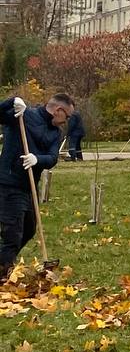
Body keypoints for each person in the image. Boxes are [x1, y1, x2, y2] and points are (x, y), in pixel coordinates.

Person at [0, 93, 74, 279]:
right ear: (58, 111)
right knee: (12, 234)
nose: (67, 121)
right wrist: (12, 101)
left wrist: (37, 159)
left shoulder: (55, 133)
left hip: (28, 187)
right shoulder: (24, 116)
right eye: (68, 116)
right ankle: (3, 271)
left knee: (29, 229)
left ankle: (5, 260)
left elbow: (52, 158)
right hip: (8, 183)